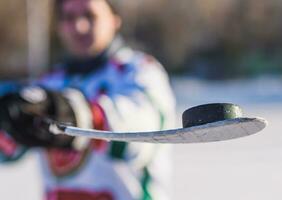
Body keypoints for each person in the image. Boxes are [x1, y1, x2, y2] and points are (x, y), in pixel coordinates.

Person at [0, 0, 175, 199]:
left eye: (90, 16)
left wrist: (83, 116)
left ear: (115, 19)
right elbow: (8, 152)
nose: (79, 26)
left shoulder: (138, 71)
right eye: (69, 18)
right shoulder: (48, 83)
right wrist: (8, 120)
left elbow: (144, 134)